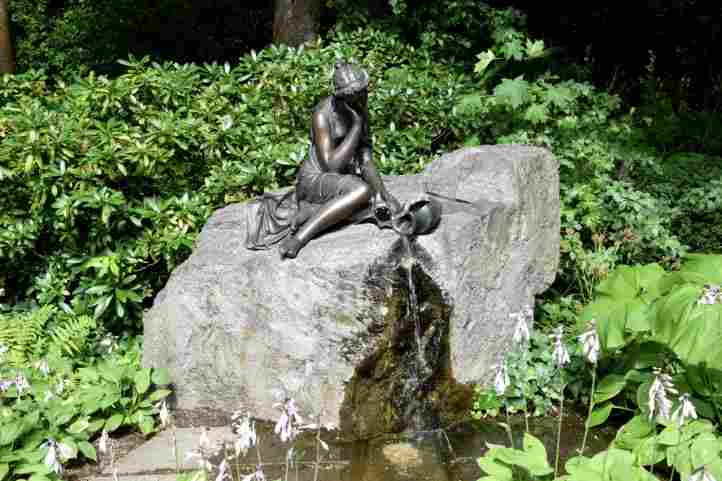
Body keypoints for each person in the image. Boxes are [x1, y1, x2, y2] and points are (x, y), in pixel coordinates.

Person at [245, 61, 401, 258]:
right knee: (361, 191)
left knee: (378, 204)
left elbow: (366, 160)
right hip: (315, 178)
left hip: (341, 178)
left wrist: (384, 196)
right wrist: (356, 126)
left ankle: (311, 212)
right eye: (352, 97)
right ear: (339, 96)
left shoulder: (360, 107)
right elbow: (331, 166)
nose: (360, 100)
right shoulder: (322, 114)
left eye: (362, 93)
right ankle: (299, 238)